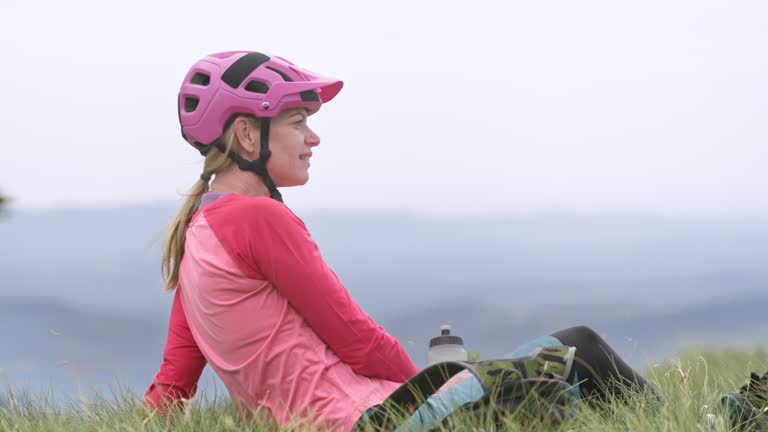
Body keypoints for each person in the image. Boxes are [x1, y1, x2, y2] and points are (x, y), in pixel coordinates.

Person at [144, 50, 658, 431]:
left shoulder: (198, 233)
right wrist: (437, 387)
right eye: (297, 123)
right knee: (579, 348)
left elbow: (172, 386)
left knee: (547, 375)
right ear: (247, 136)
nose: (313, 138)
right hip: (376, 421)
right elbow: (358, 340)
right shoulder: (259, 219)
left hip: (361, 417)